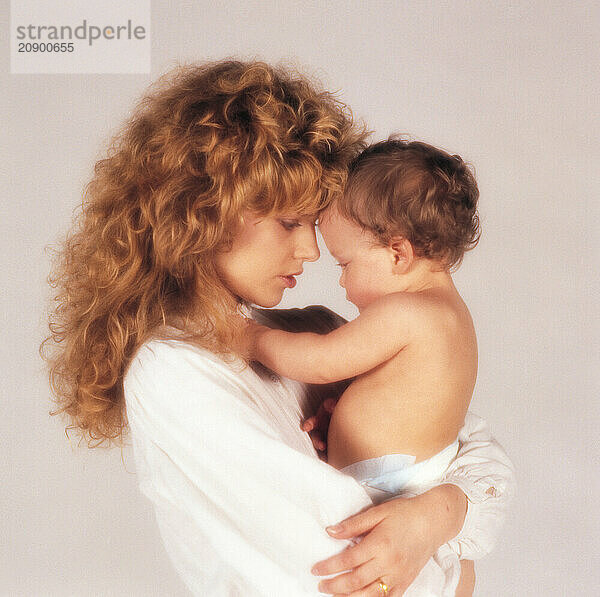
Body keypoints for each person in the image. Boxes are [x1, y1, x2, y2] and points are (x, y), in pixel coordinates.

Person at [43, 60, 515, 596]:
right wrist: (448, 544)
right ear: (201, 212)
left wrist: (437, 511)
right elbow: (346, 575)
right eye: (290, 223)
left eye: (312, 225)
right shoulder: (174, 371)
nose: (313, 251)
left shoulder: (316, 329)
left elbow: (472, 447)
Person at [248, 139, 483, 595]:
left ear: (399, 254)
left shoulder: (408, 312)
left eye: (345, 263)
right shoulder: (450, 314)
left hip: (391, 500)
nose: (340, 280)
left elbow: (317, 361)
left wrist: (249, 337)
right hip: (414, 490)